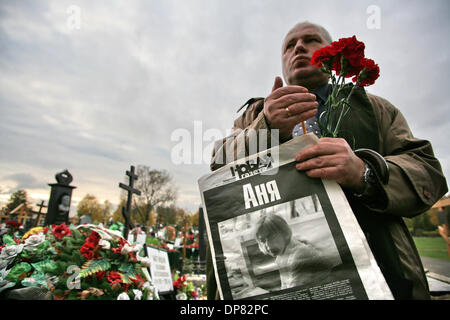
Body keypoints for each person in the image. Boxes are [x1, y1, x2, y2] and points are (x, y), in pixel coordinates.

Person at [206, 21, 448, 300]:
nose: (298, 47)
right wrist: (266, 127)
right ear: (283, 63)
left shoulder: (376, 109)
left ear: (332, 54)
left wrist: (365, 173)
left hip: (382, 279)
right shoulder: (254, 115)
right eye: (289, 45)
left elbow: (427, 171)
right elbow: (218, 164)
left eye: (310, 40)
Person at [255, 214, 337, 290]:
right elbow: (285, 287)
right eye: (262, 240)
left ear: (284, 233)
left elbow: (293, 293)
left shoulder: (299, 254)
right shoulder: (281, 255)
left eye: (271, 237)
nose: (268, 245)